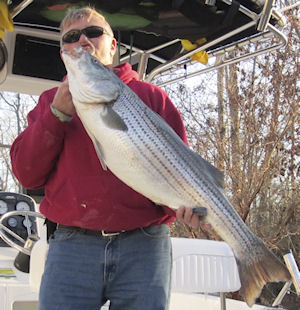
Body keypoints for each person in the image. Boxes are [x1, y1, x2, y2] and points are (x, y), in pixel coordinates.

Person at [10, 6, 200, 310]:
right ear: (63, 52)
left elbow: (177, 170)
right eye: (72, 36)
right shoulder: (49, 101)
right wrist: (56, 115)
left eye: (94, 32)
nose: (83, 39)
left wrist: (184, 205)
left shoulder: (152, 97)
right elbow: (27, 174)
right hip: (72, 247)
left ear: (112, 46)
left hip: (144, 247)